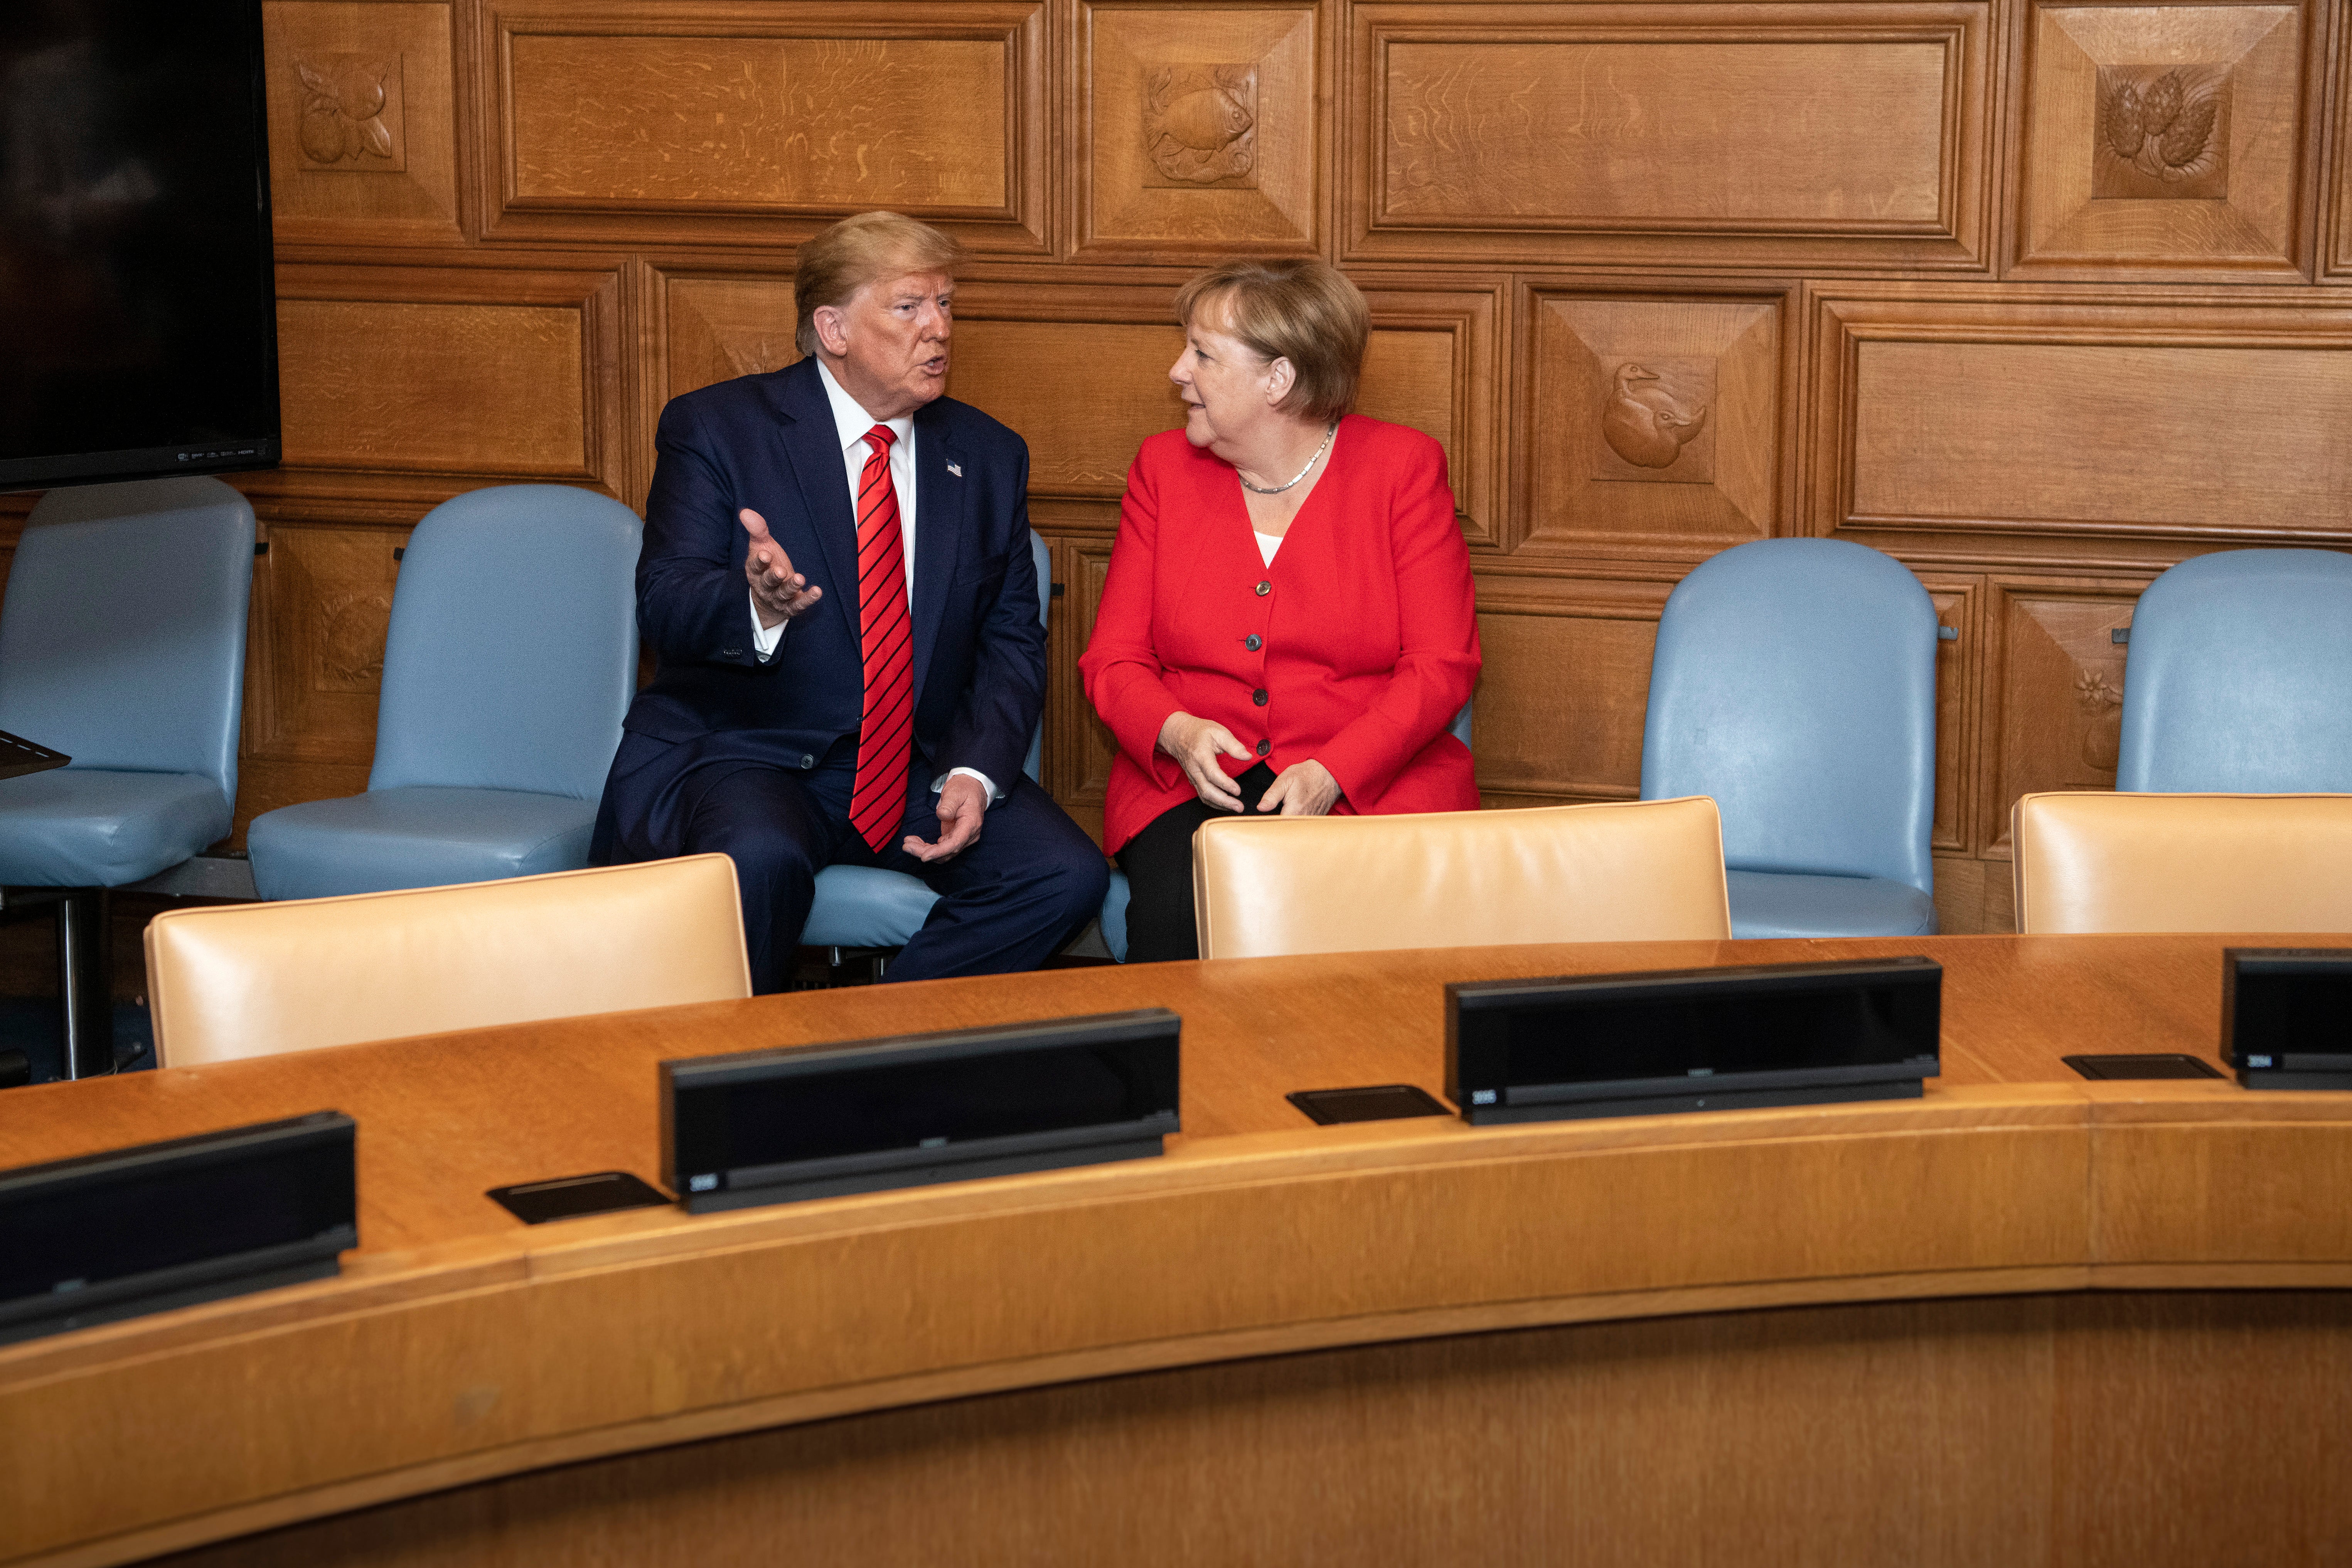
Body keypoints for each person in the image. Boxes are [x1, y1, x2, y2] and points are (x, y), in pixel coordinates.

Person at [592, 211, 1107, 993]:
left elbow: (1010, 641)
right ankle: (729, 1089)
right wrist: (755, 604)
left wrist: (973, 771)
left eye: (946, 305)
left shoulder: (986, 454)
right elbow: (665, 602)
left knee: (1061, 875)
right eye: (909, 307)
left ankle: (864, 1063)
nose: (938, 329)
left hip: (908, 766)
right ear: (832, 328)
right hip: (751, 752)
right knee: (754, 861)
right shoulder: (719, 428)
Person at [1079, 258, 1482, 963]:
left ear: (1280, 379)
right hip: (1194, 789)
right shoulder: (1162, 471)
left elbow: (1441, 667)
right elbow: (1113, 661)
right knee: (1182, 918)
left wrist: (1333, 772)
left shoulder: (1402, 470)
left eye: (1202, 354)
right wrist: (1174, 731)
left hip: (1367, 784)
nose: (1178, 371)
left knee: (1351, 941)